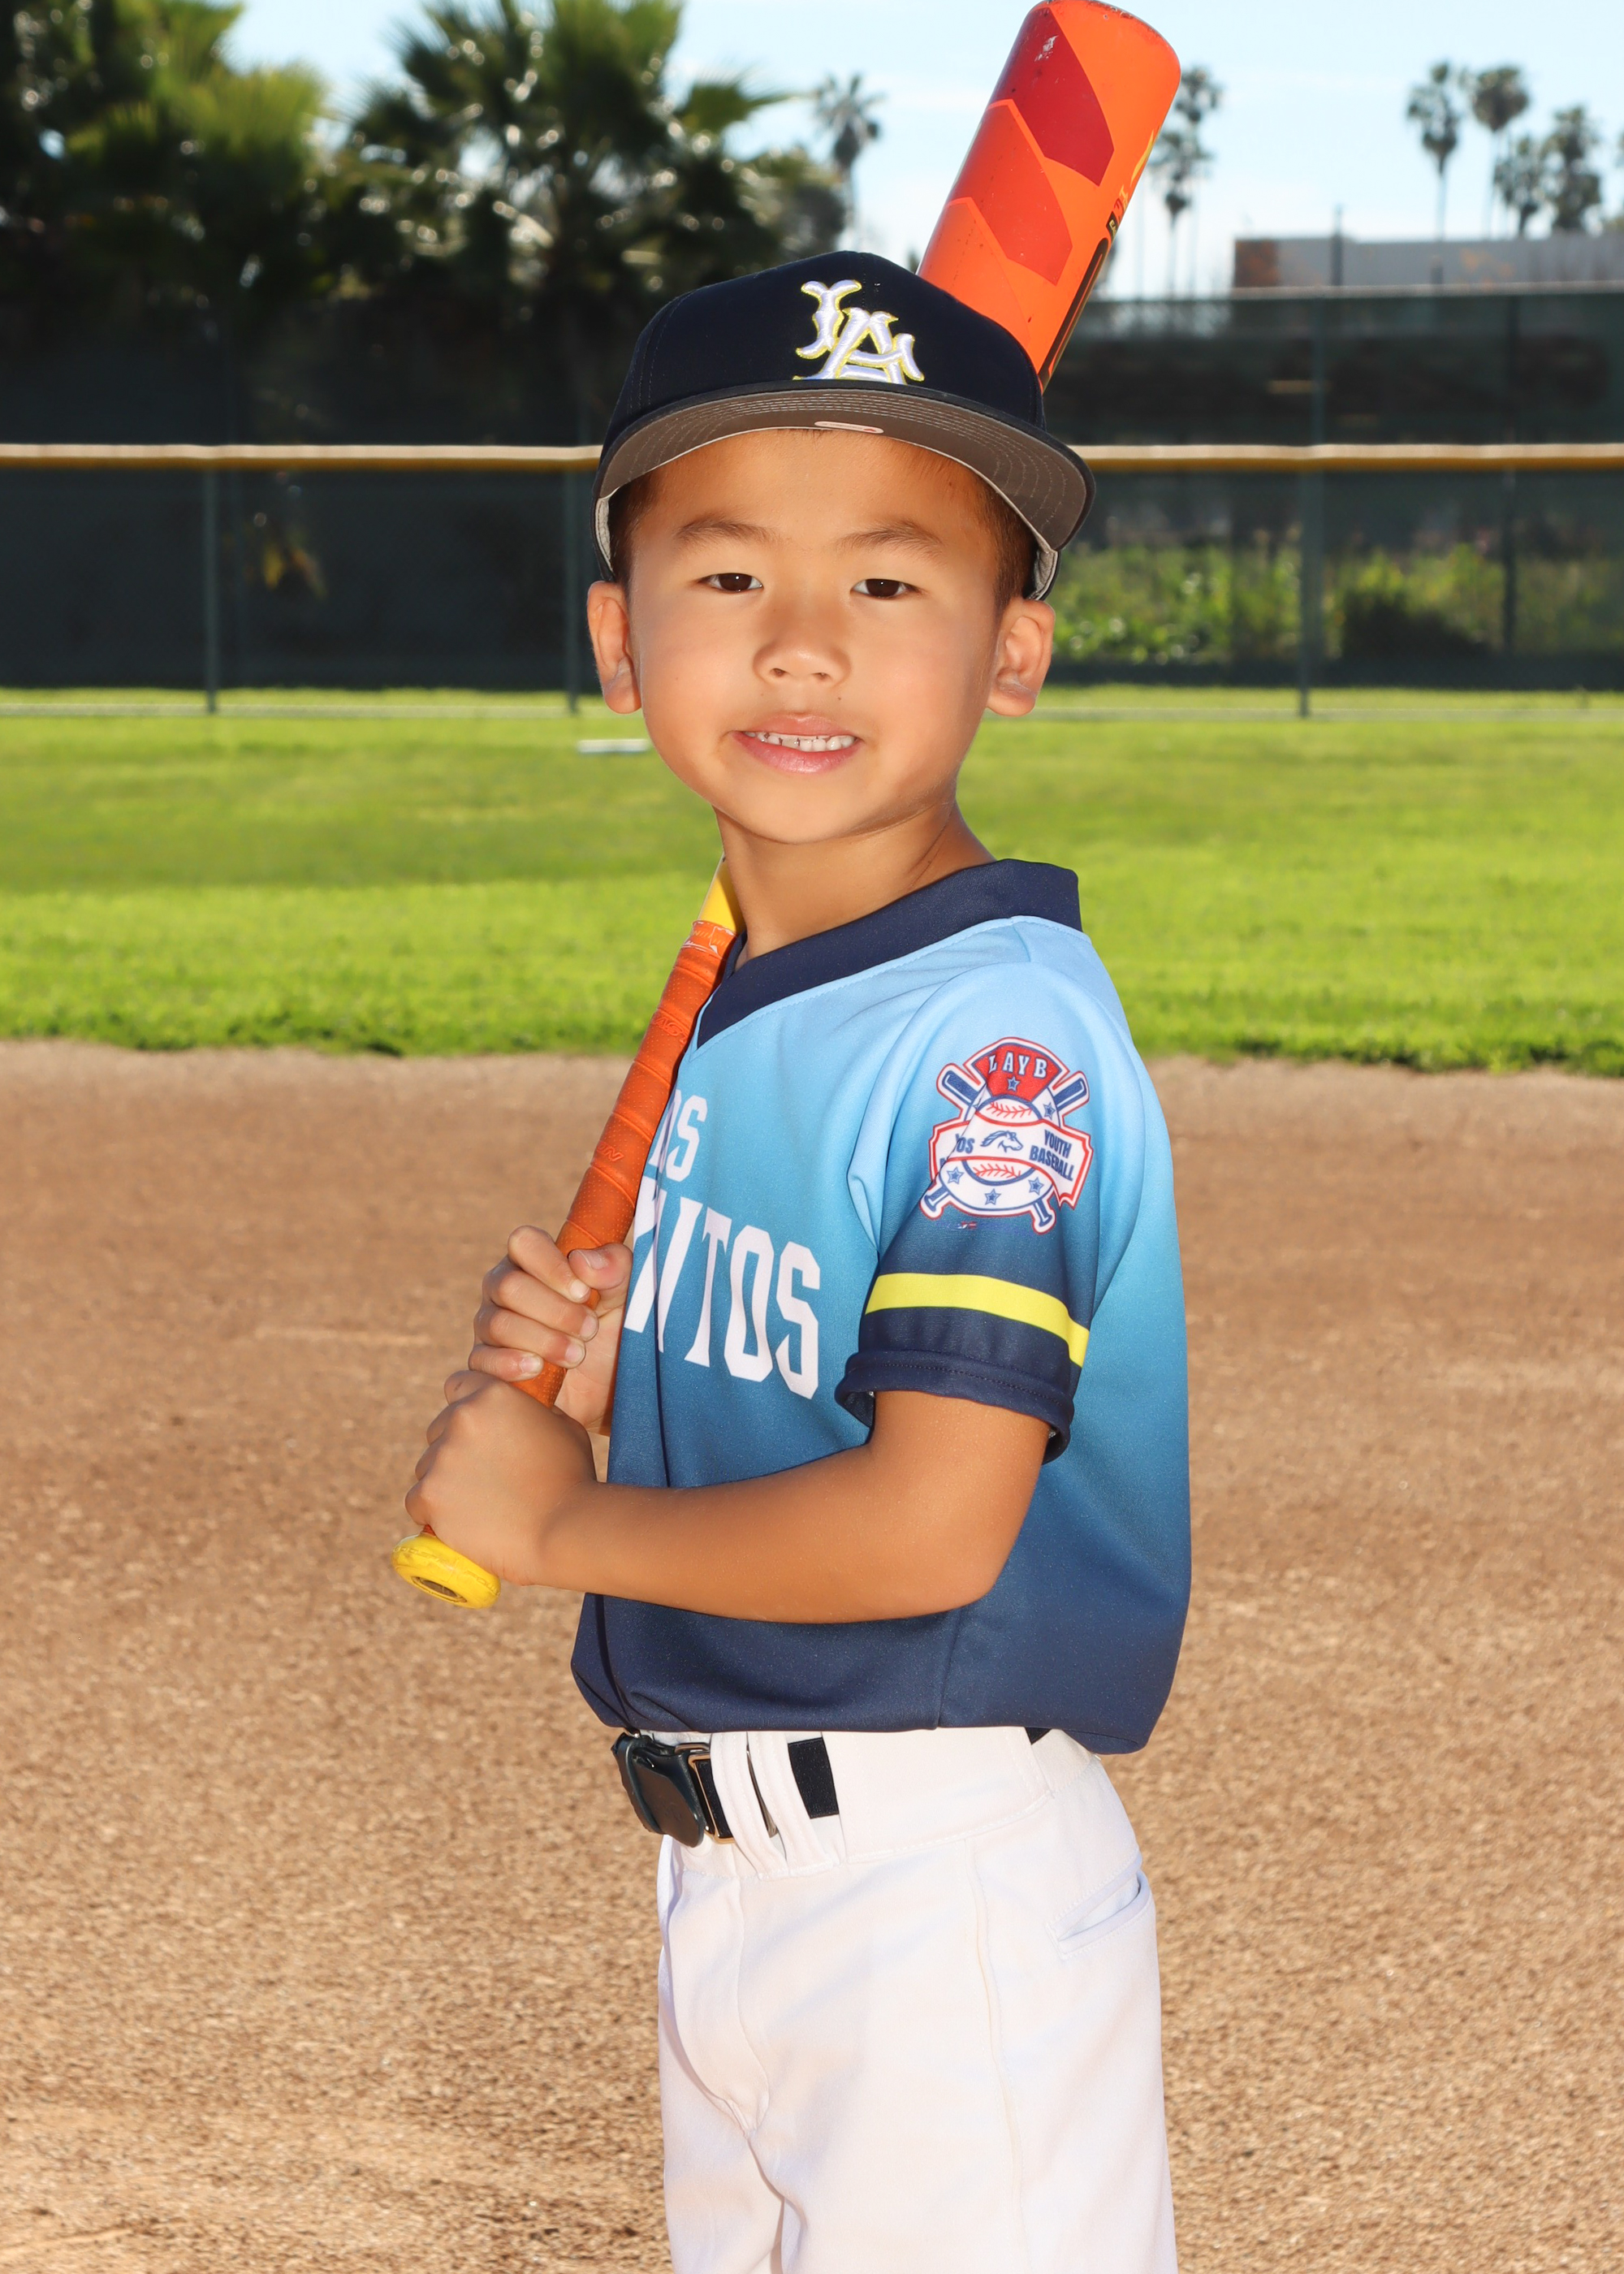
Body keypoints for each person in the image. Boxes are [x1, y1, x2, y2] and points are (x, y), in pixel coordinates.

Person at [407, 253, 1190, 2274]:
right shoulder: (776, 998)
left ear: (1015, 653)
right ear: (619, 636)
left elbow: (932, 1521)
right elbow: (813, 1393)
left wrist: (561, 1518)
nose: (803, 645)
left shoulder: (996, 1038)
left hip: (933, 1905)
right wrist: (639, 1375)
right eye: (733, 571)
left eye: (892, 580)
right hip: (738, 1889)